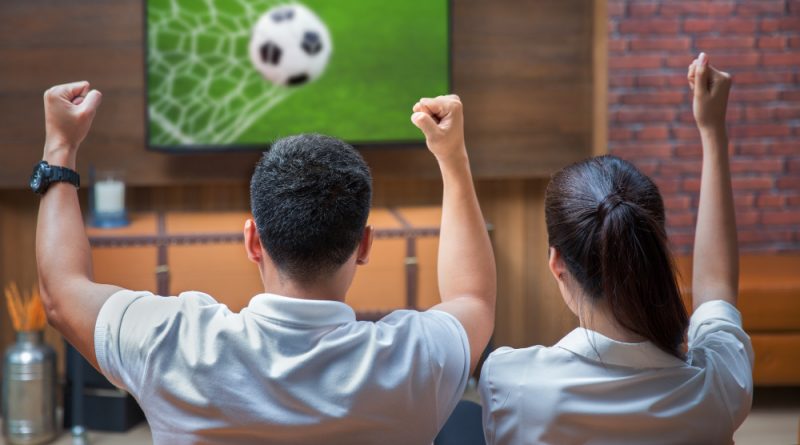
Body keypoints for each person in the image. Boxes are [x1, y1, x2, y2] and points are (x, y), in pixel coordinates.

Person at [34, 86, 496, 444]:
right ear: (364, 245)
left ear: (253, 240)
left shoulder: (168, 342)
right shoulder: (419, 358)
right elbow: (471, 298)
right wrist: (452, 158)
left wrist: (60, 148)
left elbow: (61, 291)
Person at [479, 53, 753, 444]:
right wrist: (712, 131)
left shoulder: (509, 383)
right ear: (653, 247)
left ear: (556, 263)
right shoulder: (719, 387)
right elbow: (717, 291)